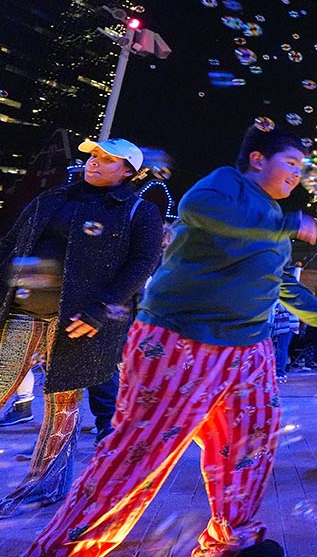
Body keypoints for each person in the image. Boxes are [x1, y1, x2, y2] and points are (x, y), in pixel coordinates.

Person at [24, 123, 317, 557]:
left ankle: (231, 540)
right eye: (290, 163)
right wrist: (289, 222)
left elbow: (280, 285)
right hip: (181, 342)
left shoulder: (272, 223)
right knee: (140, 451)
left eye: (302, 166)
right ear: (258, 160)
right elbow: (205, 212)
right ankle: (66, 548)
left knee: (249, 443)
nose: (298, 174)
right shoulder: (225, 187)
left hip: (249, 349)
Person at [0, 138, 163, 515]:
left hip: (78, 321)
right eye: (94, 155)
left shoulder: (138, 211)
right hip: (24, 310)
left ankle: (45, 485)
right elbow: (10, 244)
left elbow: (142, 265)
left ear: (129, 172)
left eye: (108, 159)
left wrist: (99, 311)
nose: (95, 162)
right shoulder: (54, 197)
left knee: (62, 404)